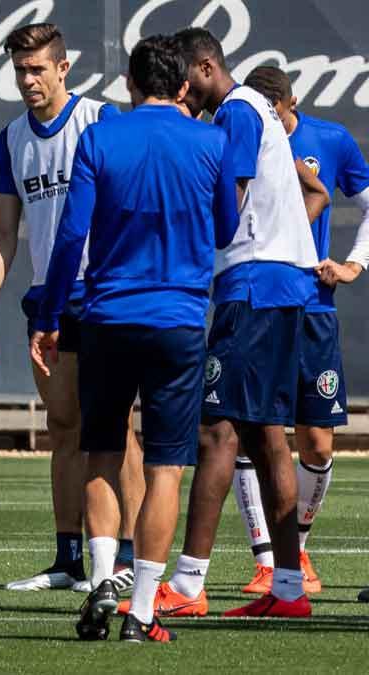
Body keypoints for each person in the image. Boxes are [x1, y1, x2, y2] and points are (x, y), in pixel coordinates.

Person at [33, 34, 239, 644]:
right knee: (166, 467)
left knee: (100, 451)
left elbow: (71, 239)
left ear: (129, 84)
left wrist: (48, 314)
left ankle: (102, 577)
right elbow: (227, 227)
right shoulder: (212, 140)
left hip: (106, 318)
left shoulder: (99, 137)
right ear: (183, 86)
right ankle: (143, 609)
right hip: (177, 322)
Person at [135, 27, 329, 620]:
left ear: (201, 68)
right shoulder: (253, 112)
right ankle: (290, 590)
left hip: (256, 284)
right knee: (264, 437)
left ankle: (189, 585)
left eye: (183, 78)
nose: (179, 91)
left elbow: (230, 203)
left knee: (214, 432)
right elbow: (308, 190)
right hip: (279, 284)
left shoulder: (239, 109)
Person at [0, 22, 145, 593]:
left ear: (63, 68)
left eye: (37, 68)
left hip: (105, 298)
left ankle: (130, 558)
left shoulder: (101, 120)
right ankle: (69, 557)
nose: (27, 79)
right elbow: (3, 231)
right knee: (63, 426)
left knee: (116, 429)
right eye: (20, 69)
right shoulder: (12, 138)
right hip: (48, 302)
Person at [230, 65, 369, 596]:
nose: (268, 117)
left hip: (314, 307)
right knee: (250, 432)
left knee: (315, 441)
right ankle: (267, 560)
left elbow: (357, 202)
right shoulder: (238, 130)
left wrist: (353, 264)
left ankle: (299, 551)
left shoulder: (329, 140)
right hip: (257, 302)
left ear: (291, 102)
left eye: (277, 110)